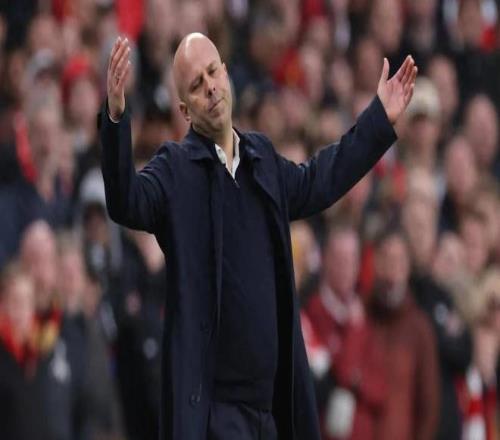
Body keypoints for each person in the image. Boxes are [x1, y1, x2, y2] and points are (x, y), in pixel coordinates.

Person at [99, 33, 417, 440]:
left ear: (226, 73)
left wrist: (378, 120)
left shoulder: (261, 157)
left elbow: (320, 181)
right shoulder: (174, 170)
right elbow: (126, 202)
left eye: (212, 72)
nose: (210, 87)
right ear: (185, 111)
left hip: (273, 408)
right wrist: (115, 117)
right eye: (196, 85)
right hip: (217, 415)